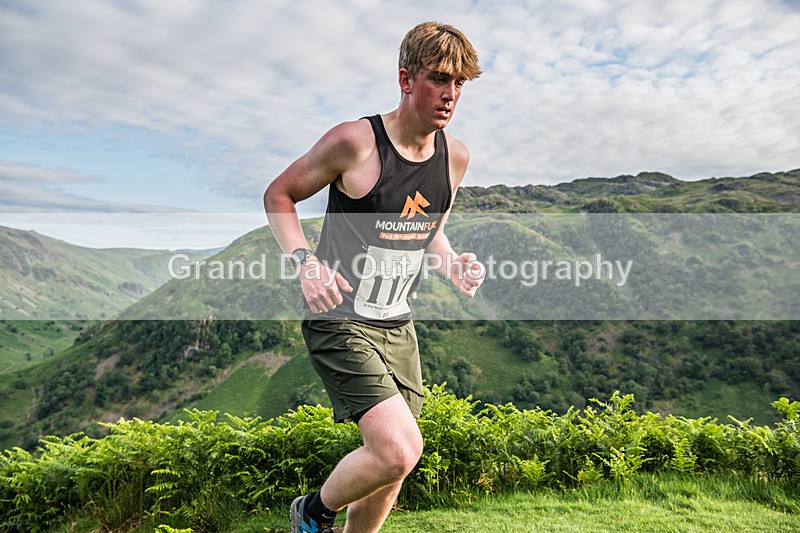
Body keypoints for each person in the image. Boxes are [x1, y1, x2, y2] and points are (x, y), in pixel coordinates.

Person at [263, 21, 484, 533]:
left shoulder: (456, 157)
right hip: (340, 318)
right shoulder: (354, 142)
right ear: (406, 79)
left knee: (392, 467)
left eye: (460, 84)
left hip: (397, 326)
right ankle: (312, 512)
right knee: (399, 450)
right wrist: (305, 261)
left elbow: (430, 229)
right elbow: (279, 195)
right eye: (439, 79)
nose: (450, 94)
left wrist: (453, 265)